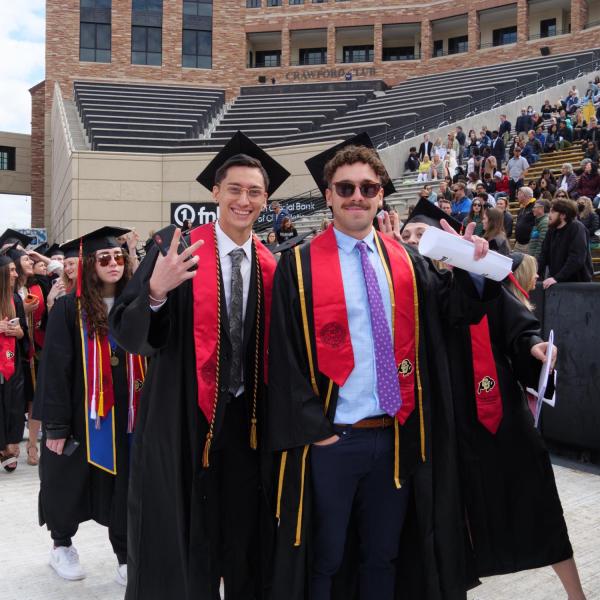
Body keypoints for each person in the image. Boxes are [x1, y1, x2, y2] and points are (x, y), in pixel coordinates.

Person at [270, 134, 496, 600]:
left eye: (368, 188)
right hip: (333, 440)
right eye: (346, 188)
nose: (357, 196)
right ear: (328, 195)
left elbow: (453, 314)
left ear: (381, 195)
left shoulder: (409, 263)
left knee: (383, 556)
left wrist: (473, 269)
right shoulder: (298, 267)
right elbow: (284, 356)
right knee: (325, 558)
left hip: (395, 436)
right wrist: (318, 429)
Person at [110, 131, 290, 600]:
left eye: (254, 192)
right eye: (234, 189)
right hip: (181, 423)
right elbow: (126, 334)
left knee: (245, 537)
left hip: (247, 428)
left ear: (265, 200)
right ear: (215, 192)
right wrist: (155, 292)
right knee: (184, 540)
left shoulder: (275, 266)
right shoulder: (177, 249)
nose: (244, 200)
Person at [37, 226, 144, 585]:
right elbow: (55, 368)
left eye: (118, 257)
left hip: (126, 415)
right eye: (104, 258)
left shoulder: (136, 304)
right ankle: (61, 545)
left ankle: (126, 555)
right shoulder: (70, 308)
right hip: (82, 415)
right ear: (88, 264)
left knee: (123, 486)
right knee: (67, 482)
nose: (113, 263)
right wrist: (55, 425)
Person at [0, 253, 26, 472]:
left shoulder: (15, 298)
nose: (16, 273)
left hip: (11, 359)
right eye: (11, 270)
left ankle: (9, 444)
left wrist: (17, 331)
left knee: (13, 401)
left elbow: (23, 332)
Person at [538, 199, 593, 287]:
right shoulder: (552, 230)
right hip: (557, 281)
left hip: (578, 284)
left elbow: (576, 258)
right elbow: (544, 255)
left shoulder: (577, 228)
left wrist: (557, 278)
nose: (549, 215)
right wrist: (535, 273)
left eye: (552, 212)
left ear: (563, 215)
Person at [514, 186, 536, 253]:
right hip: (518, 244)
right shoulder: (522, 208)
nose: (517, 196)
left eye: (519, 194)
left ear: (526, 195)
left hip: (528, 244)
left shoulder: (535, 206)